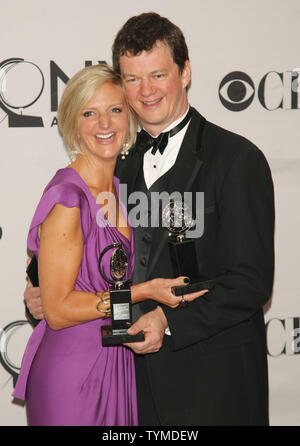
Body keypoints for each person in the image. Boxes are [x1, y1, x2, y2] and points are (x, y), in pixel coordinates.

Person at [24, 13, 275, 426]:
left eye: (158, 74)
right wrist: (39, 285)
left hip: (212, 387)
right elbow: (86, 249)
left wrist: (167, 319)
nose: (146, 91)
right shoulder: (117, 162)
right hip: (128, 386)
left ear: (186, 72)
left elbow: (250, 281)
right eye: (133, 78)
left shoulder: (236, 160)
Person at [15, 63, 205, 426]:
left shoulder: (121, 189)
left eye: (115, 110)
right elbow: (57, 310)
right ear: (72, 124)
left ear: (129, 117)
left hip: (118, 362)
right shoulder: (67, 196)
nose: (105, 124)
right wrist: (143, 291)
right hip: (71, 372)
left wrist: (33, 279)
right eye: (90, 113)